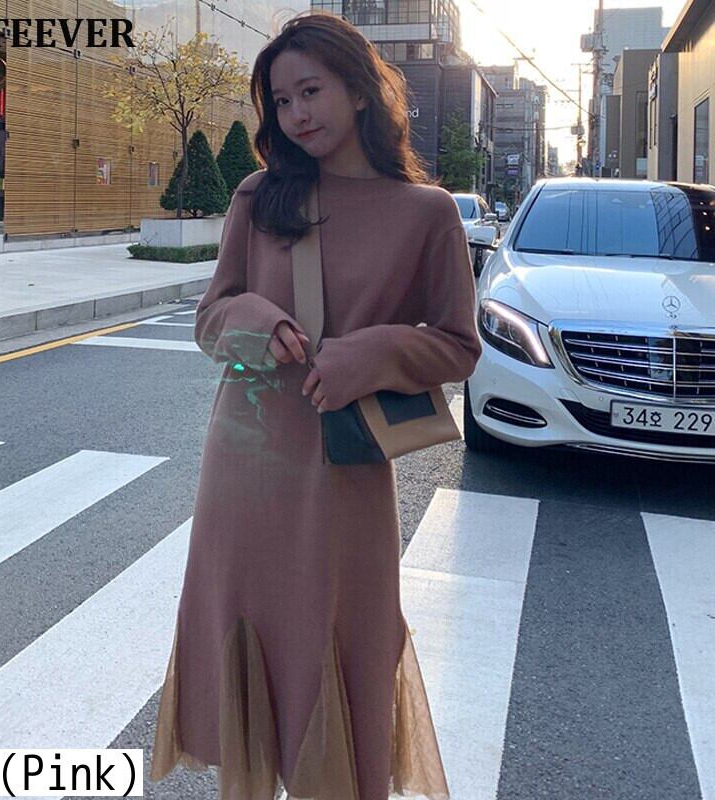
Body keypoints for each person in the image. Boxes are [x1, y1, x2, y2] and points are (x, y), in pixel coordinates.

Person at [149, 11, 481, 800]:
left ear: (360, 90)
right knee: (253, 644)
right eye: (281, 100)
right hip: (246, 463)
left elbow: (458, 345)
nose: (296, 113)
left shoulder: (426, 213)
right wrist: (259, 322)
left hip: (345, 468)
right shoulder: (260, 195)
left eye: (311, 91)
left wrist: (372, 354)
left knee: (340, 635)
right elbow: (210, 317)